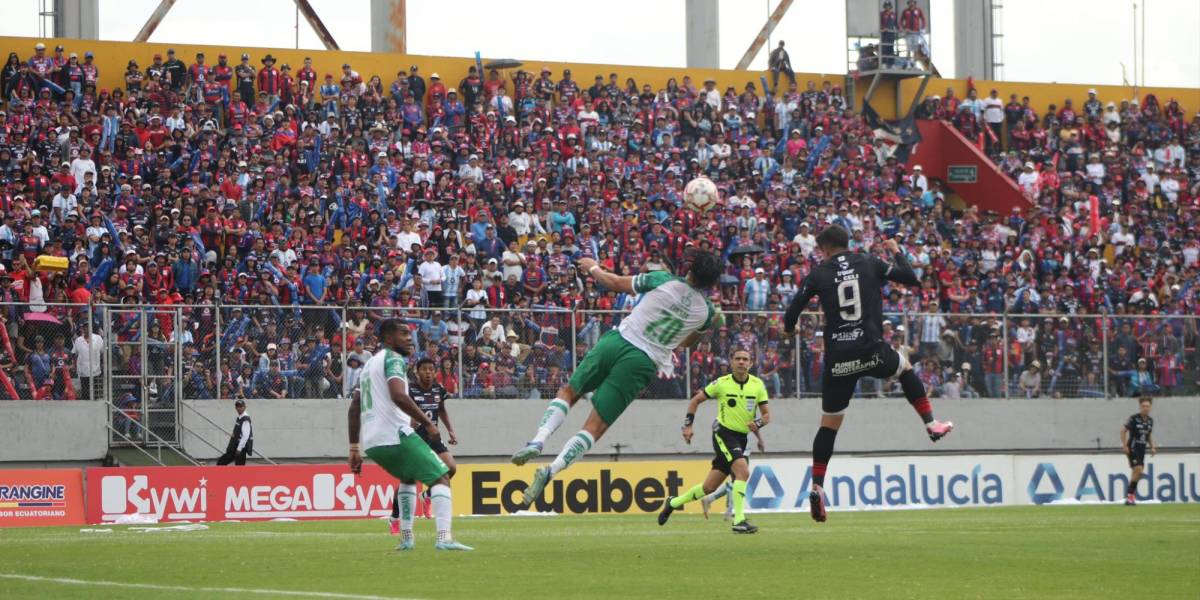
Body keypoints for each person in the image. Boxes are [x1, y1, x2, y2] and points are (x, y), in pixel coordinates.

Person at [511, 250, 725, 507]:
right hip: (642, 362)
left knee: (569, 392)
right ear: (712, 282)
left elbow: (612, 282)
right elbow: (687, 342)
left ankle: (539, 439)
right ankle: (551, 470)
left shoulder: (662, 279)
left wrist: (592, 267)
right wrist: (709, 327)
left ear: (690, 268)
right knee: (595, 426)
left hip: (617, 341)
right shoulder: (707, 313)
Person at [783, 225, 953, 522]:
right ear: (847, 242)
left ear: (824, 248)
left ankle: (817, 486)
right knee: (904, 367)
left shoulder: (819, 273)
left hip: (838, 358)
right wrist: (896, 250)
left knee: (829, 425)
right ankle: (930, 424)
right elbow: (911, 278)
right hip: (870, 349)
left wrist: (790, 329)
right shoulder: (868, 262)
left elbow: (792, 310)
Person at [348, 319, 471, 551]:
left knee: (407, 478)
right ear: (387, 338)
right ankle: (444, 538)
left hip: (373, 443)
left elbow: (354, 407)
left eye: (409, 333)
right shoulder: (393, 359)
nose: (408, 338)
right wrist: (429, 423)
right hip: (396, 434)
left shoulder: (368, 366)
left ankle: (406, 538)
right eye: (403, 333)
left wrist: (354, 448)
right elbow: (399, 396)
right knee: (442, 477)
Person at [658, 349, 769, 534]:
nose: (741, 362)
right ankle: (739, 520)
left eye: (745, 359)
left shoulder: (757, 385)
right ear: (731, 362)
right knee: (742, 471)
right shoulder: (721, 384)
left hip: (742, 438)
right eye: (738, 359)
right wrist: (688, 426)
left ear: (750, 363)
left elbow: (766, 416)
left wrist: (757, 424)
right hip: (723, 433)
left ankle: (673, 503)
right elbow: (695, 401)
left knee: (709, 487)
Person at [388, 357, 458, 535]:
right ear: (417, 372)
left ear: (435, 372)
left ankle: (427, 496)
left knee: (450, 468)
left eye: (431, 369)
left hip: (433, 436)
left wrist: (450, 430)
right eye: (424, 369)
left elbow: (441, 409)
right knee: (408, 479)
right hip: (415, 438)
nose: (428, 372)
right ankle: (395, 516)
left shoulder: (438, 389)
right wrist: (411, 423)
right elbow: (402, 410)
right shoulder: (409, 390)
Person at [1120, 397, 1156, 506]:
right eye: (1143, 406)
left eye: (1147, 406)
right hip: (1132, 448)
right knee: (1139, 470)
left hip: (1141, 451)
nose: (1145, 408)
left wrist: (1152, 447)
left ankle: (1130, 498)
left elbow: (1148, 434)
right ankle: (1130, 496)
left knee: (1137, 473)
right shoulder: (1134, 419)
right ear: (1140, 406)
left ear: (1150, 407)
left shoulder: (1150, 421)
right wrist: (1125, 445)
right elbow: (1123, 430)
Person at [71, 322, 104, 400]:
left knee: (96, 396)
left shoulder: (98, 338)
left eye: (88, 327)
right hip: (83, 372)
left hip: (95, 372)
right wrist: (74, 366)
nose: (86, 328)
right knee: (85, 396)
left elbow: (103, 353)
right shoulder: (78, 340)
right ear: (82, 329)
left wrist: (102, 364)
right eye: (84, 327)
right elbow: (74, 354)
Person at [216, 399, 253, 465]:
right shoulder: (240, 417)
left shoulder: (245, 419)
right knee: (221, 462)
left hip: (240, 447)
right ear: (235, 408)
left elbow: (245, 436)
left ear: (245, 407)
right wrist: (234, 434)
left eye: (241, 406)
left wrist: (239, 449)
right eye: (237, 406)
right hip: (235, 446)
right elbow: (239, 432)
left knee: (238, 469)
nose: (239, 408)